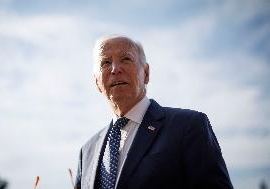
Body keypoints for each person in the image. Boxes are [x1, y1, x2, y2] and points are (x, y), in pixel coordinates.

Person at [75, 35, 233, 189]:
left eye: (126, 59)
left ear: (146, 73)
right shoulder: (87, 152)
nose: (115, 69)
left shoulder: (188, 126)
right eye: (106, 62)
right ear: (96, 82)